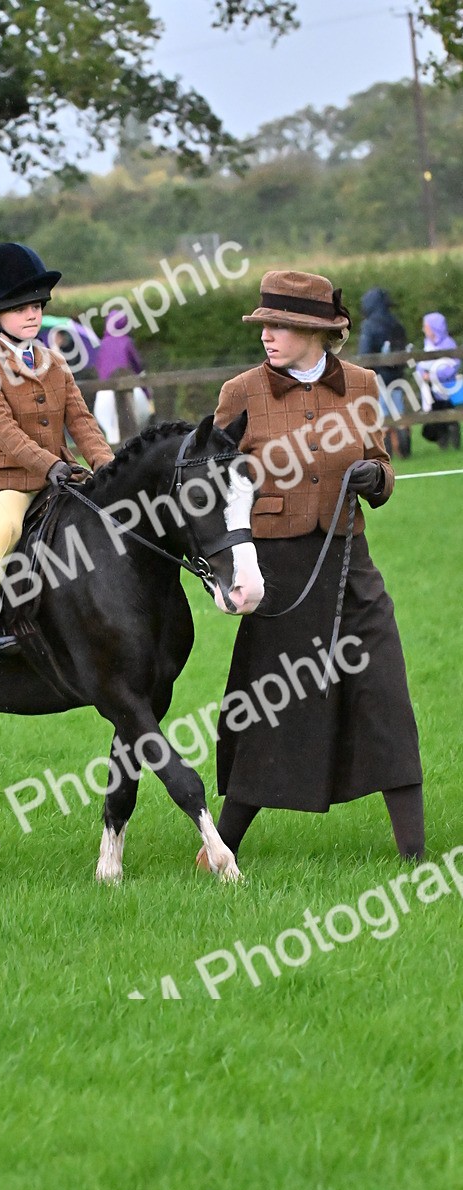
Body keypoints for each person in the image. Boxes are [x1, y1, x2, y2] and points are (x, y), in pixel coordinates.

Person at [198, 270, 424, 870]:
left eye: (280, 326)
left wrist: (378, 477)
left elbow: (379, 459)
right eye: (265, 325)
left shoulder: (364, 385)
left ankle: (415, 853)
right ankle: (221, 846)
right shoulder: (240, 392)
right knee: (269, 702)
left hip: (351, 563)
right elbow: (211, 482)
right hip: (277, 574)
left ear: (315, 331)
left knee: (383, 692)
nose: (267, 335)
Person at [0, 242, 114, 659]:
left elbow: (81, 421)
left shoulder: (55, 361)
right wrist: (50, 465)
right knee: (9, 530)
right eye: (19, 307)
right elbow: (6, 434)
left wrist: (106, 465)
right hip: (12, 478)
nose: (32, 314)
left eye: (37, 305)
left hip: (62, 471)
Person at [358, 287, 411, 459]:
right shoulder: (396, 322)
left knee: (382, 415)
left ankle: (387, 451)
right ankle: (404, 449)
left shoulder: (369, 326)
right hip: (397, 376)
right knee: (399, 412)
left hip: (378, 377)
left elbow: (365, 354)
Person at [93, 308, 152, 444]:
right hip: (129, 391)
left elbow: (99, 369)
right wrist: (147, 394)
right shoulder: (127, 342)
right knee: (134, 436)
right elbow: (139, 370)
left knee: (112, 437)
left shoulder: (102, 345)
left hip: (104, 393)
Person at [418, 312, 461, 451]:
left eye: (427, 327)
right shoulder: (428, 343)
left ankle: (454, 445)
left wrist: (433, 375)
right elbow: (421, 363)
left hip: (447, 387)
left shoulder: (448, 344)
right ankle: (443, 446)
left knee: (449, 415)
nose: (424, 329)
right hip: (432, 388)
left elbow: (452, 366)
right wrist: (422, 373)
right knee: (437, 415)